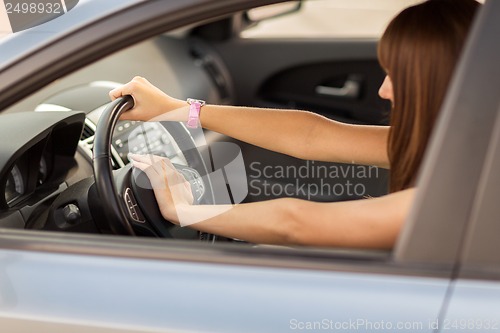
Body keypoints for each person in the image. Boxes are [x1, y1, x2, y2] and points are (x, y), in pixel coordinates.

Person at [109, 0, 480, 249]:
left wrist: (184, 211)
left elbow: (297, 222)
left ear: (441, 81)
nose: (383, 90)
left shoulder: (473, 184)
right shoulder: (458, 145)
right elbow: (315, 135)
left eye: (397, 75)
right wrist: (180, 110)